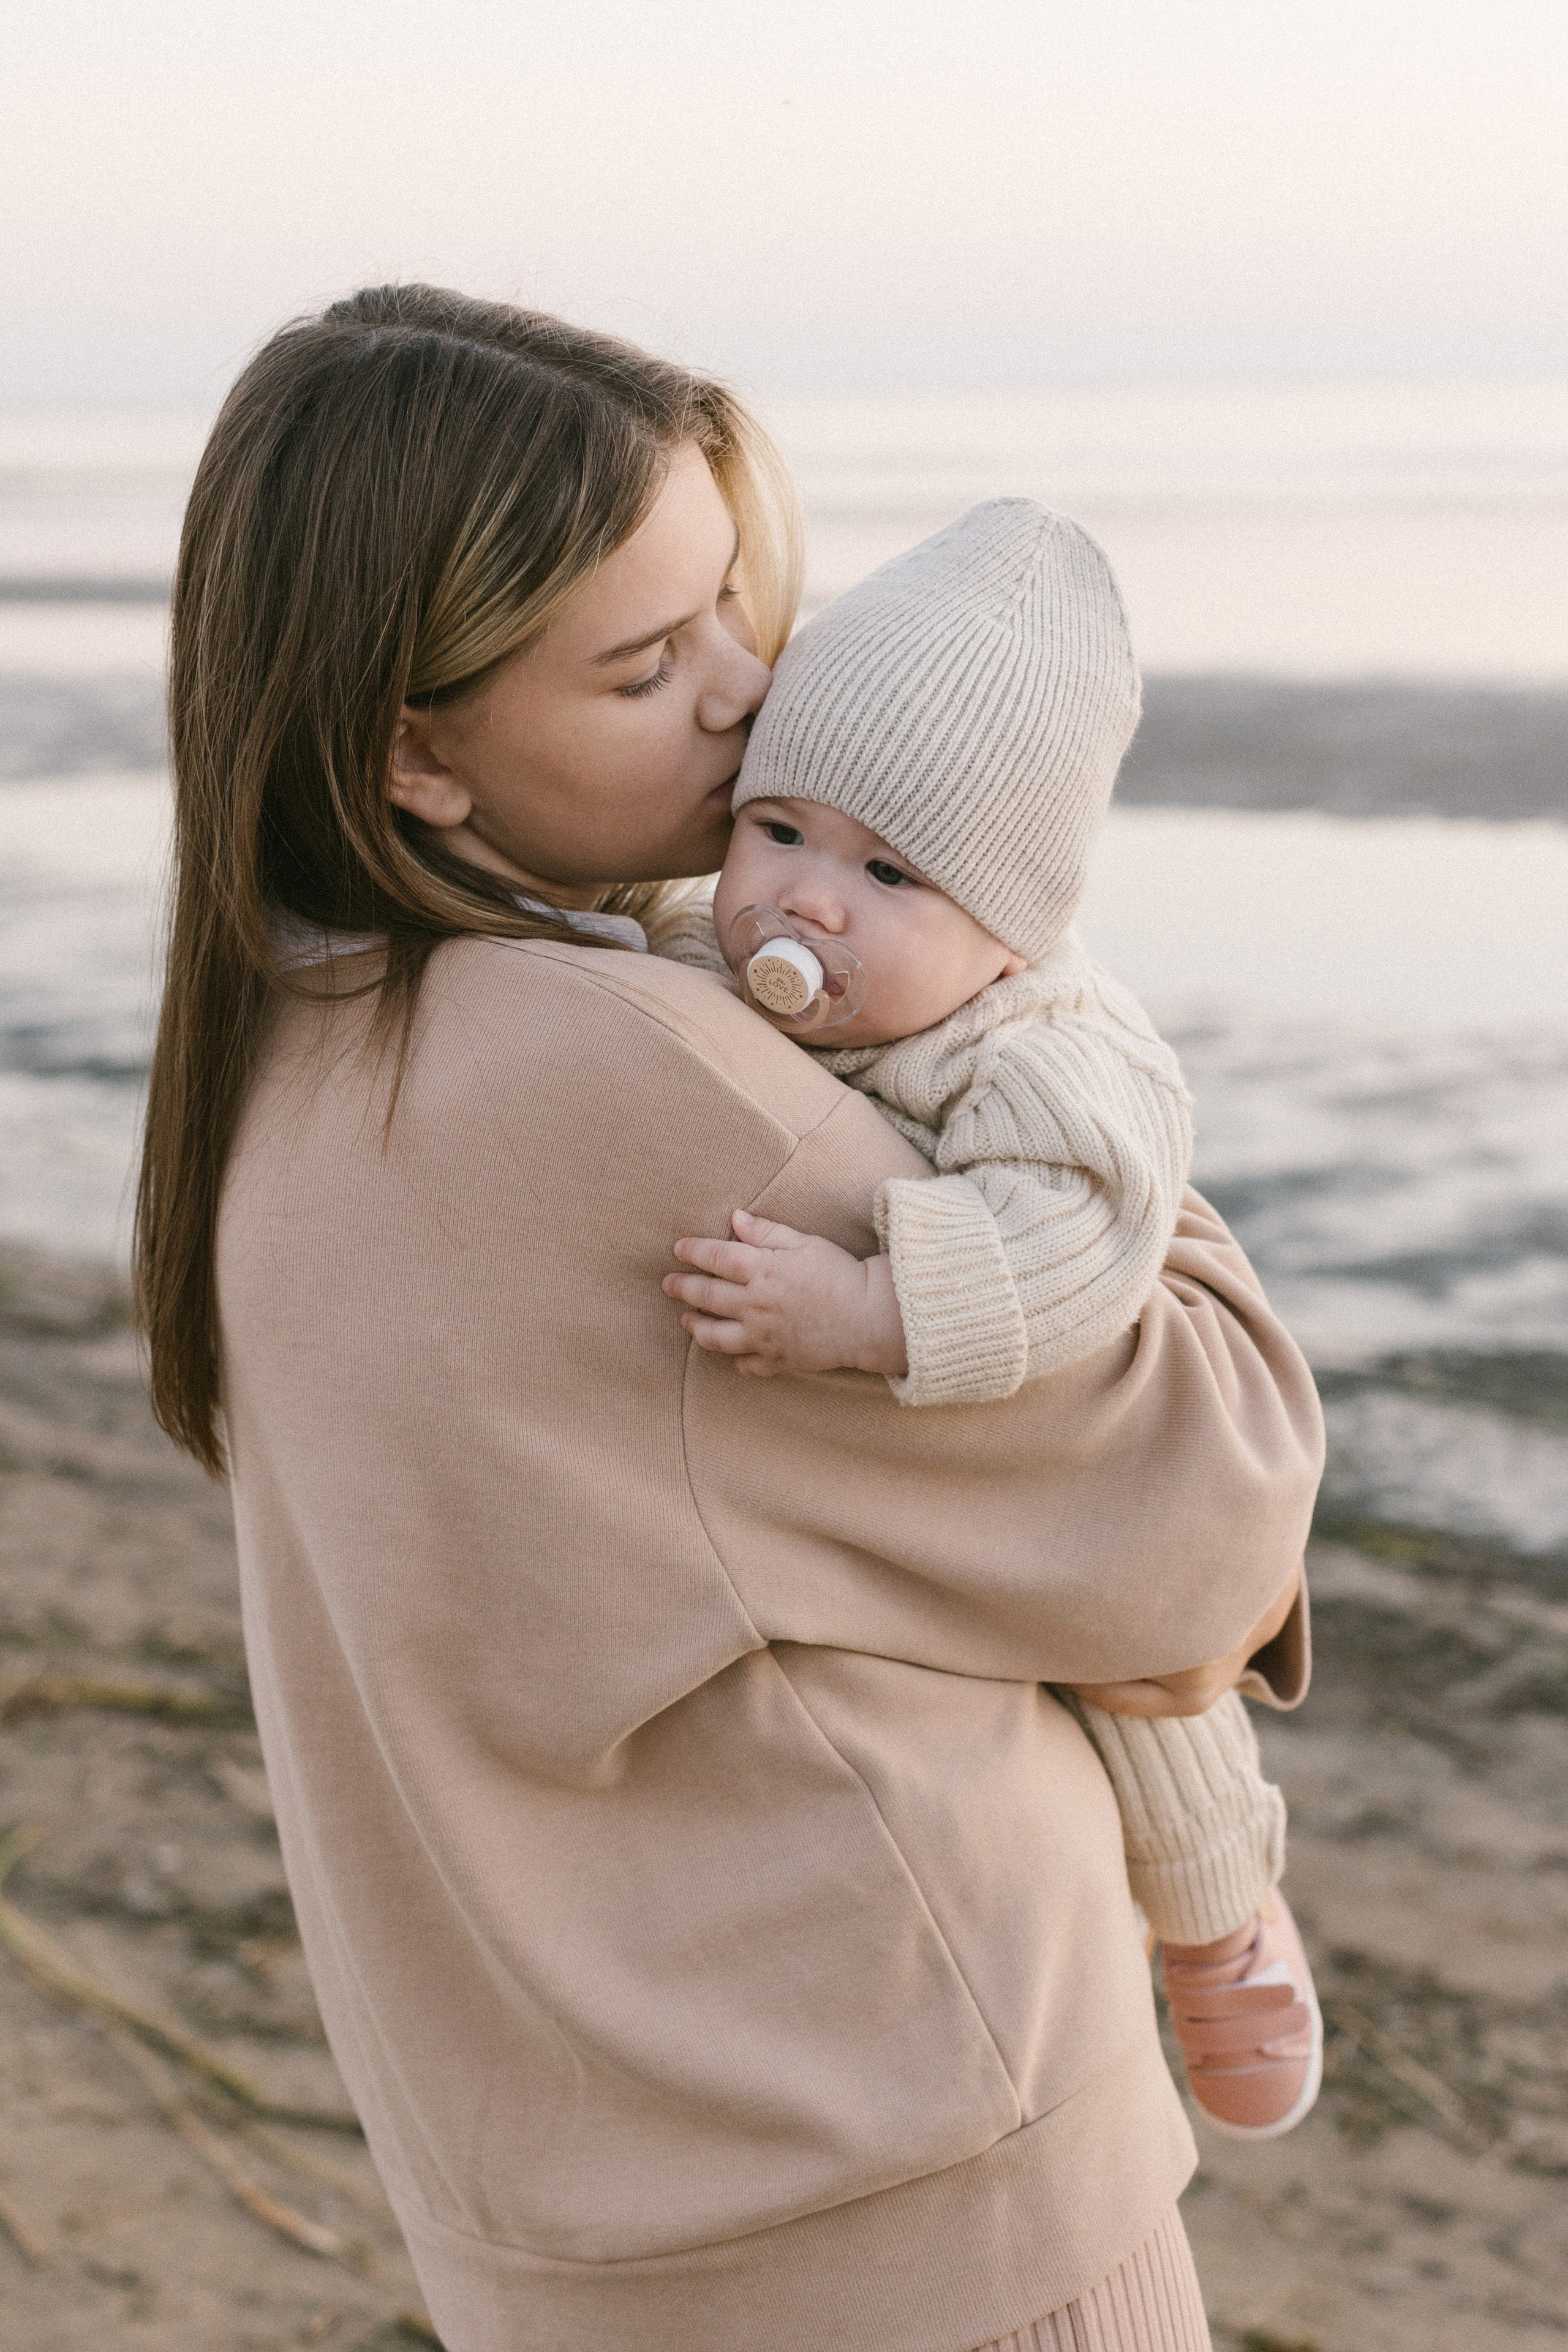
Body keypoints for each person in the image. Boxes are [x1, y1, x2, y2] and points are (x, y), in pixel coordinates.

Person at [136, 284, 1324, 2352]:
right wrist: (1028, 1042)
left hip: (577, 2207)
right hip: (901, 2182)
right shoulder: (615, 1070)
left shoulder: (276, 1058)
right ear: (412, 750)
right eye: (647, 660)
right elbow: (1204, 1502)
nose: (751, 694)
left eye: (736, 613)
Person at [654, 497, 1321, 2141]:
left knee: (1150, 1697)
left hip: (1038, 1385)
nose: (806, 904)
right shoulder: (733, 940)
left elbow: (1080, 1237)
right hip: (930, 1502)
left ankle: (1226, 1926)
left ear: (1010, 926)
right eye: (779, 833)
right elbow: (652, 952)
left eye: (889, 873)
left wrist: (876, 1308)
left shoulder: (1043, 1053)